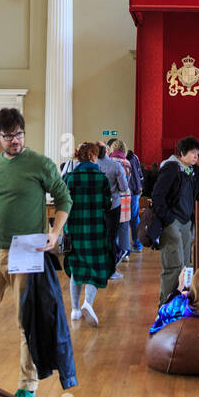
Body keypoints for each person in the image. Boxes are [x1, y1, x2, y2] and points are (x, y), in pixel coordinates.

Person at [0, 107, 71, 397]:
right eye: (8, 136)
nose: (15, 140)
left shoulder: (39, 164)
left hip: (27, 251)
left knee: (26, 320)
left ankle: (28, 384)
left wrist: (55, 231)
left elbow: (64, 197)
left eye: (19, 134)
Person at [60, 142, 114, 327]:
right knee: (95, 268)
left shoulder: (70, 178)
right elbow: (107, 204)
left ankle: (75, 310)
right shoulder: (102, 179)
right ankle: (88, 303)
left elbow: (63, 204)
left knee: (77, 267)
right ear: (93, 156)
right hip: (95, 230)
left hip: (74, 230)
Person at [151, 136, 199, 304]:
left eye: (197, 153)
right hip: (173, 224)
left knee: (186, 266)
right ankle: (165, 307)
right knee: (173, 267)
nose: (196, 156)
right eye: (193, 153)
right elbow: (157, 195)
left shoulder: (189, 170)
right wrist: (170, 220)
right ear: (182, 153)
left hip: (185, 223)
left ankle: (181, 304)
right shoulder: (171, 167)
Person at [149, 266, 199, 334]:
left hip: (174, 340)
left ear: (193, 288)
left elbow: (161, 315)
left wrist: (179, 288)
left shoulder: (178, 305)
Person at [96, 142, 129, 278]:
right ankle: (111, 270)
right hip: (112, 204)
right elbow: (123, 187)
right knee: (111, 237)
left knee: (97, 236)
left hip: (95, 206)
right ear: (106, 151)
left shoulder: (92, 166)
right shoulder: (116, 166)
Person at [109, 138, 144, 252]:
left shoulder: (109, 161)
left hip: (113, 196)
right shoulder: (130, 160)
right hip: (129, 194)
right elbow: (138, 175)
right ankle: (133, 248)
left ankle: (116, 250)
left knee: (114, 224)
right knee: (129, 221)